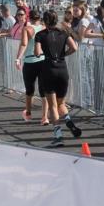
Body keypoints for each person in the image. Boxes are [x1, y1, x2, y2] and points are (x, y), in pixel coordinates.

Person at [34, 9, 82, 146]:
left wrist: (43, 52)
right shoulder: (64, 33)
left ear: (44, 21)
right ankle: (68, 121)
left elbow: (37, 52)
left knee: (53, 106)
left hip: (48, 69)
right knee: (61, 103)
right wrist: (63, 55)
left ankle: (58, 136)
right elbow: (74, 48)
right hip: (62, 69)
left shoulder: (40, 35)